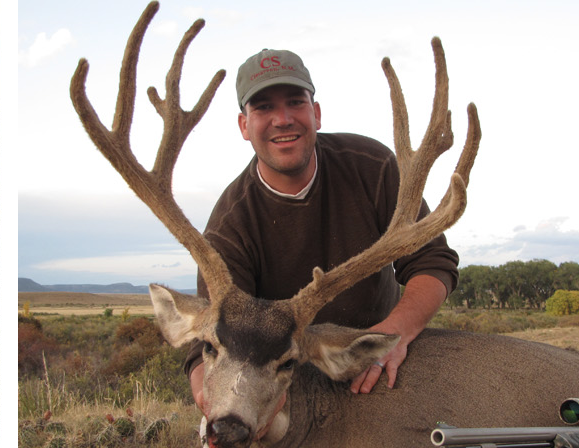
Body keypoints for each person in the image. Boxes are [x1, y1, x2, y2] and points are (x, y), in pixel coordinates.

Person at [195, 49, 459, 394]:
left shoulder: (371, 166)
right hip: (284, 382)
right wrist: (210, 393)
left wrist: (394, 335)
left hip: (379, 359)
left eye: (295, 102)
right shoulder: (230, 225)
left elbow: (433, 262)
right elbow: (214, 333)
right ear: (245, 125)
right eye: (263, 108)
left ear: (316, 113)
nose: (283, 119)